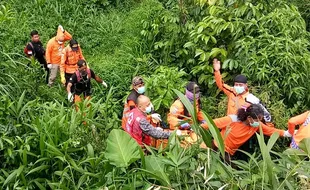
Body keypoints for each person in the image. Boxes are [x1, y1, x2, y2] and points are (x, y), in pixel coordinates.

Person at [212, 104, 292, 165]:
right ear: (249, 118)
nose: (259, 122)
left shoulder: (256, 126)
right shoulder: (232, 120)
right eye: (257, 120)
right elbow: (211, 124)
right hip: (218, 147)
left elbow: (270, 131)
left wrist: (286, 133)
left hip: (231, 152)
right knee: (231, 170)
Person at [213, 58, 272, 124]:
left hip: (242, 126)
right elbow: (221, 85)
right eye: (236, 84)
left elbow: (266, 115)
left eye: (240, 85)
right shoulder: (232, 92)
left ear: (246, 85)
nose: (238, 86)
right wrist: (217, 71)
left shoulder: (251, 99)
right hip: (229, 124)